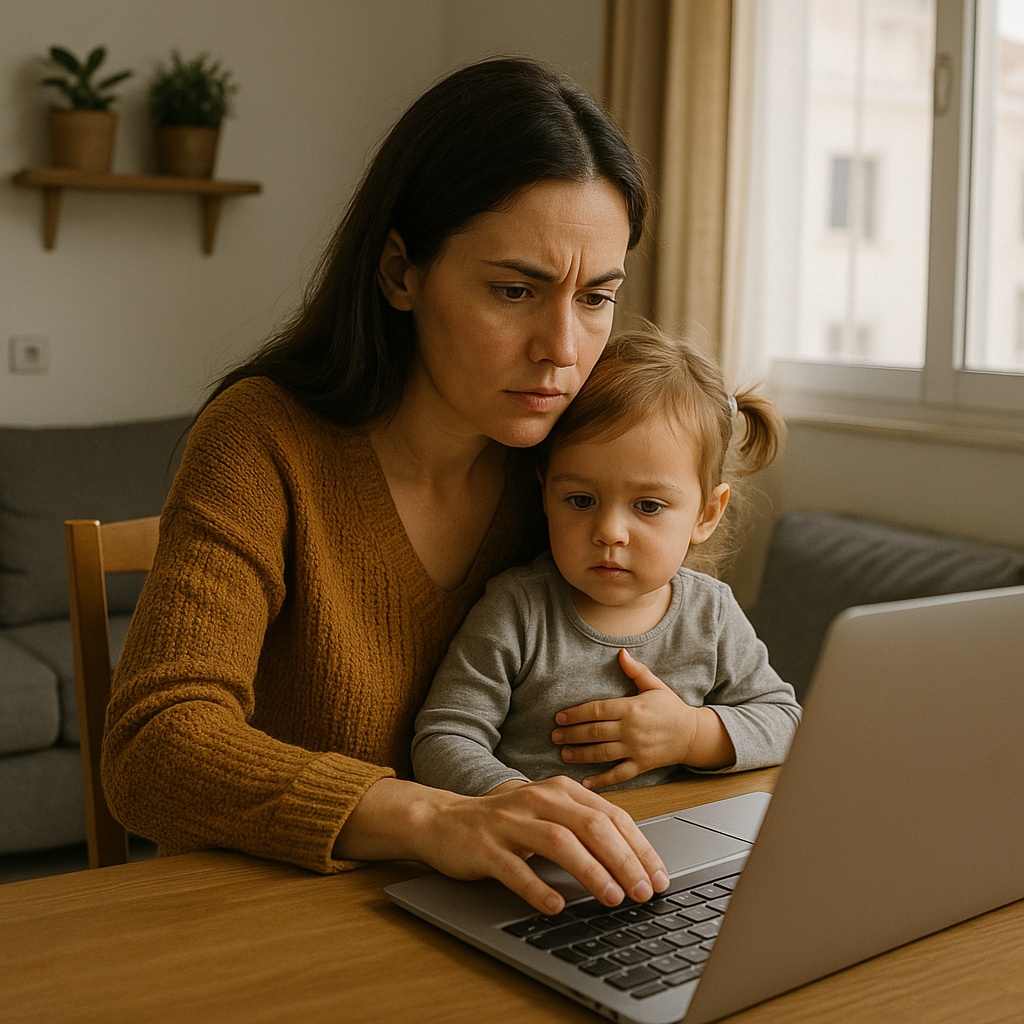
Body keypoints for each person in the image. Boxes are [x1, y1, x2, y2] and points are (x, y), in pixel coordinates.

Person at [102, 56, 670, 917]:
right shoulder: (263, 438)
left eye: (596, 297)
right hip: (271, 919)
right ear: (401, 271)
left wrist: (689, 724)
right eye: (515, 290)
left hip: (510, 912)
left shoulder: (576, 465)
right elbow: (151, 750)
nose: (562, 348)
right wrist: (431, 816)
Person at [412, 329, 801, 796]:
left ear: (706, 515)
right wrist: (511, 798)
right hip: (545, 848)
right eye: (580, 500)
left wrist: (692, 735)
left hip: (672, 843)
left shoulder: (711, 615)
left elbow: (784, 721)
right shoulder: (518, 611)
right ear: (544, 493)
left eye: (649, 506)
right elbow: (443, 737)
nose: (610, 532)